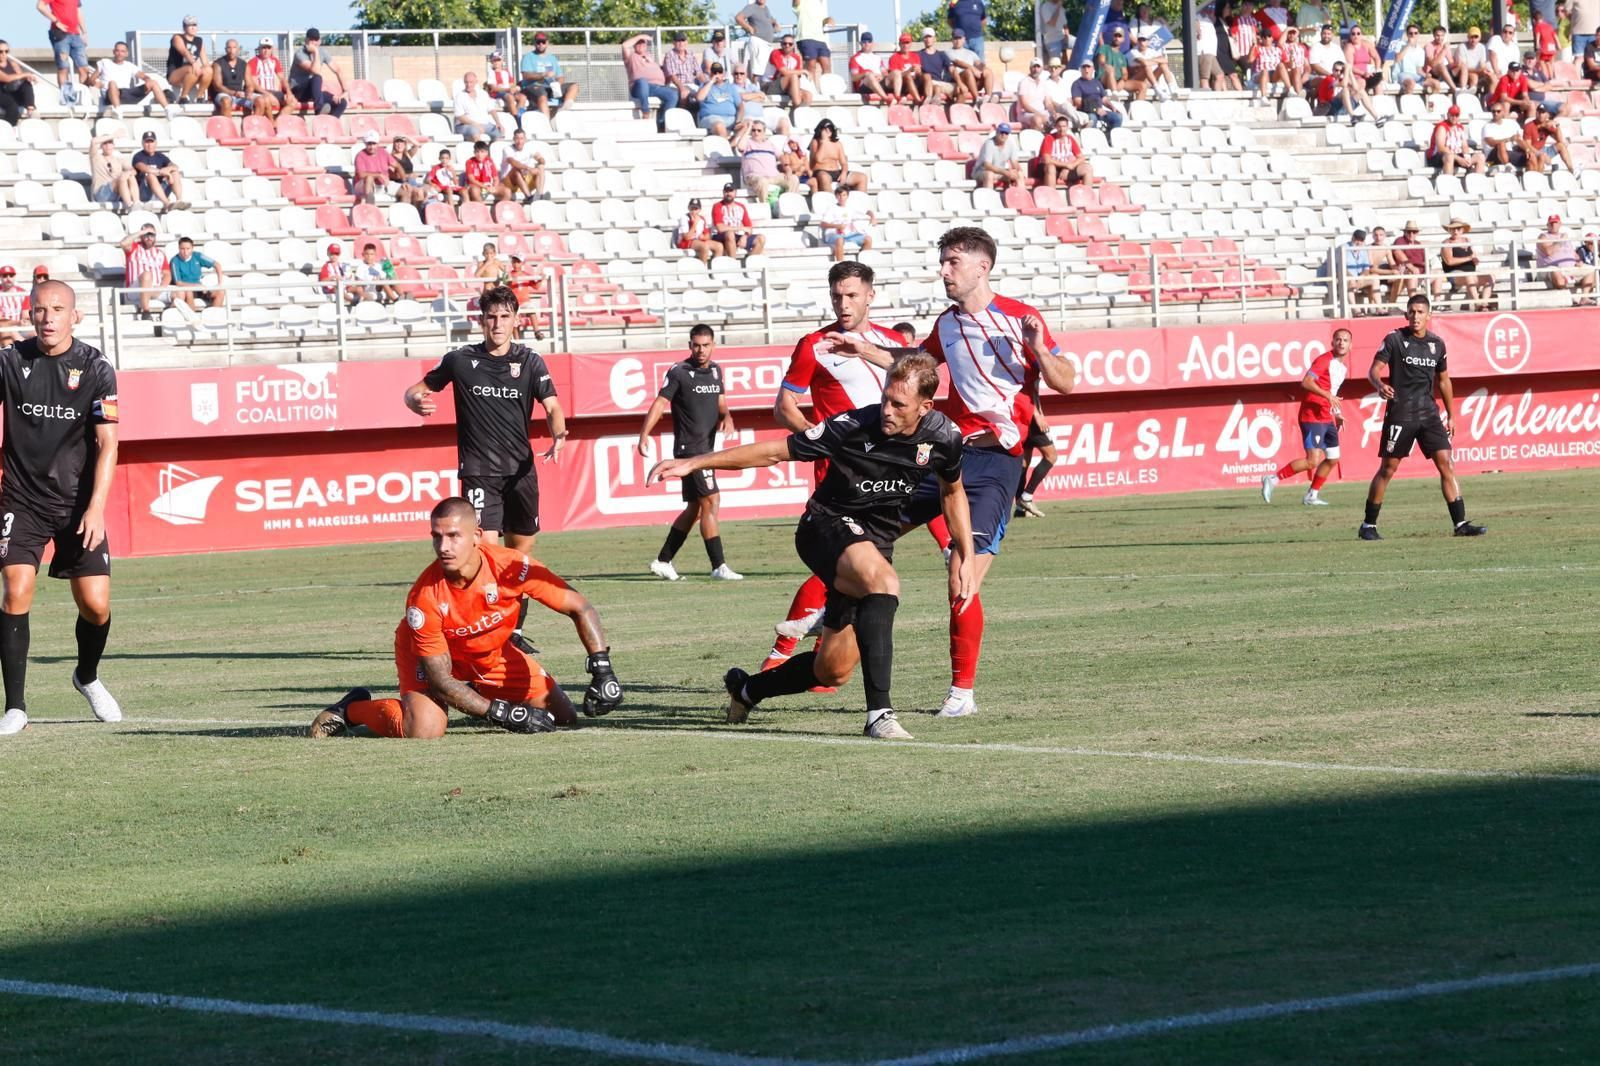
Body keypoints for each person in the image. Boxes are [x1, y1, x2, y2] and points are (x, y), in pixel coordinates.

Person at [823, 227, 1078, 719]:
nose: (944, 270)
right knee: (859, 533)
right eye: (942, 262)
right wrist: (866, 353)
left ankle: (962, 692)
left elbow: (1065, 381)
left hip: (997, 464)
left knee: (962, 570)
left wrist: (1040, 351)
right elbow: (915, 362)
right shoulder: (947, 323)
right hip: (946, 458)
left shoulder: (1020, 318)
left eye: (953, 262)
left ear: (982, 267)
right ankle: (835, 610)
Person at [653, 352, 974, 741]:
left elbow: (952, 493)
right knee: (885, 582)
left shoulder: (945, 438)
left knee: (832, 670)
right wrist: (695, 463)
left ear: (926, 407)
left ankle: (746, 690)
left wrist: (966, 555)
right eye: (886, 397)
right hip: (824, 527)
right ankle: (880, 715)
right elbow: (774, 452)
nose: (886, 409)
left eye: (898, 404)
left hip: (873, 544)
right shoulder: (853, 424)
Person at [308, 498, 622, 740]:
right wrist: (502, 713)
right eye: (437, 537)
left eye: (454, 536)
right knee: (425, 730)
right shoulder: (424, 596)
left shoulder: (513, 566)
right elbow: (440, 680)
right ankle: (350, 710)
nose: (443, 547)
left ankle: (478, 694)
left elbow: (580, 607)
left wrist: (602, 670)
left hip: (490, 654)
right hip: (436, 659)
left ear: (478, 535)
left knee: (562, 716)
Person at [762, 261, 908, 673]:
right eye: (836, 297)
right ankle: (783, 652)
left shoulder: (893, 343)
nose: (843, 304)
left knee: (866, 570)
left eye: (852, 296)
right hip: (841, 476)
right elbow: (783, 407)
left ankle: (823, 658)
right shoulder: (814, 345)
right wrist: (820, 440)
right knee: (847, 564)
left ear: (870, 296)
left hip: (892, 475)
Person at [403, 285, 566, 653]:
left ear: (515, 321)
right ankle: (488, 632)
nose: (497, 323)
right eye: (491, 317)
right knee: (487, 556)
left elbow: (553, 407)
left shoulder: (529, 361)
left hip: (521, 473)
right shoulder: (460, 361)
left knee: (519, 559)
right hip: (479, 472)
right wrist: (414, 402)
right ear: (481, 320)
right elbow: (414, 391)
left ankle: (514, 631)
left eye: (504, 317)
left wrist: (559, 434)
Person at [0, 280, 121, 736]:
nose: (47, 317)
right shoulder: (11, 361)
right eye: (39, 309)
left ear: (76, 316)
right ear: (29, 315)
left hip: (77, 504)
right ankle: (15, 707)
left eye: (57, 309)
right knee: (16, 588)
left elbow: (108, 443)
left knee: (95, 605)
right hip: (21, 500)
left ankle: (86, 676)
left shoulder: (95, 367)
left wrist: (95, 508)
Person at [1359, 295, 1486, 541]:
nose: (1415, 316)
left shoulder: (1437, 344)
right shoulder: (1394, 339)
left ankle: (1460, 523)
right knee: (1388, 468)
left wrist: (1451, 414)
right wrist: (1378, 384)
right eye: (1411, 311)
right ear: (1406, 315)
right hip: (1401, 413)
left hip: (1429, 413)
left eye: (1420, 312)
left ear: (1429, 316)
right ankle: (1368, 525)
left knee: (1446, 464)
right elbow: (1373, 370)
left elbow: (1444, 380)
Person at [638, 325, 742, 582]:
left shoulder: (716, 371)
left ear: (713, 345)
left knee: (696, 508)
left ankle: (663, 560)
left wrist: (727, 417)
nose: (701, 350)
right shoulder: (679, 372)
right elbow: (660, 403)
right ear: (689, 345)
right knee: (711, 502)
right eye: (696, 345)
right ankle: (719, 566)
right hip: (690, 450)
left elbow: (721, 402)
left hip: (706, 449)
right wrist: (644, 434)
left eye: (706, 345)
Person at [1260, 327, 1350, 507]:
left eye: (1345, 340)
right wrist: (1326, 395)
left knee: (1333, 458)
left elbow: (1332, 394)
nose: (1341, 342)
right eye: (1338, 339)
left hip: (1327, 416)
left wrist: (1337, 414)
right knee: (1312, 461)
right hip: (1312, 416)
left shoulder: (1342, 368)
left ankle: (1312, 495)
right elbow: (1306, 382)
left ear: (1350, 345)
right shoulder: (1324, 360)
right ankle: (1273, 479)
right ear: (1332, 342)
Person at [94, 41, 175, 118]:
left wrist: (147, 80)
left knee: (153, 82)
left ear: (126, 54)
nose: (119, 54)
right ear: (113, 51)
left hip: (126, 94)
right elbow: (91, 80)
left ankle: (167, 109)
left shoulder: (129, 65)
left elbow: (143, 76)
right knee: (112, 83)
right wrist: (96, 83)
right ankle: (118, 110)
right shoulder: (104, 62)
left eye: (122, 51)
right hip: (111, 95)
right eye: (117, 51)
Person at [38, 0, 89, 110]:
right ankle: (67, 100)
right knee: (63, 67)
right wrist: (56, 21)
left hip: (75, 34)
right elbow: (40, 6)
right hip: (60, 34)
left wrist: (84, 31)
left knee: (84, 68)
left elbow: (78, 11)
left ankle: (84, 99)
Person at [623, 33, 677, 132]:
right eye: (638, 44)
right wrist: (641, 36)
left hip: (656, 87)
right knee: (642, 81)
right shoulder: (631, 56)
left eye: (643, 44)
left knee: (673, 94)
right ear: (634, 46)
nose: (640, 46)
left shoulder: (650, 58)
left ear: (646, 46)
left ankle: (661, 123)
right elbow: (624, 45)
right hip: (638, 87)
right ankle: (645, 112)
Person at [732, 118, 795, 203]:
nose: (756, 132)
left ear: (764, 132)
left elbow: (781, 156)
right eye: (753, 130)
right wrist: (748, 129)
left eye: (759, 130)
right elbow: (740, 147)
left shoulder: (769, 144)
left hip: (773, 176)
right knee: (763, 181)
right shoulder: (748, 142)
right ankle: (765, 208)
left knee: (793, 179)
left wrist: (788, 168)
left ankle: (786, 205)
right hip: (755, 177)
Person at [1536, 213, 1597, 299]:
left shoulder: (1564, 237)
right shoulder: (1543, 237)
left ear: (1560, 224)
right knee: (1557, 276)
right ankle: (1568, 296)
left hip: (1569, 268)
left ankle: (1584, 297)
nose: (1553, 225)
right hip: (1551, 268)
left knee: (1591, 270)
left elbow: (1573, 254)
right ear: (1547, 225)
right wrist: (1561, 240)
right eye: (1551, 223)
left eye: (1556, 222)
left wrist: (1578, 261)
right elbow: (1549, 251)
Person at [289, 28, 346, 117]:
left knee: (341, 102)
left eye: (316, 40)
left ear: (319, 41)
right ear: (306, 40)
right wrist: (315, 52)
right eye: (311, 39)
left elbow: (337, 70)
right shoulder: (299, 54)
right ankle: (319, 109)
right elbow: (315, 71)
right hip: (297, 91)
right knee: (317, 77)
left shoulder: (323, 52)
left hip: (313, 92)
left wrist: (345, 91)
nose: (313, 42)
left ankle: (328, 124)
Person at [1013, 404, 1057, 518]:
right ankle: (1026, 497)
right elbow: (1029, 393)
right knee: (1051, 456)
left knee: (1024, 461)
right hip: (1030, 416)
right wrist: (1037, 415)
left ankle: (1020, 508)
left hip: (1021, 415)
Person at [518, 34, 577, 117]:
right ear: (534, 43)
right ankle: (546, 122)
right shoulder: (528, 57)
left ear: (547, 43)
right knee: (542, 96)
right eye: (538, 42)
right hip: (534, 86)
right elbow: (526, 76)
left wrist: (558, 84)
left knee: (574, 86)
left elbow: (560, 76)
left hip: (551, 87)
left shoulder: (552, 58)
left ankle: (562, 112)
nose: (541, 44)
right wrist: (543, 74)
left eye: (543, 42)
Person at [130, 131, 189, 212]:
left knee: (175, 172)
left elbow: (175, 166)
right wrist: (163, 172)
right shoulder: (138, 156)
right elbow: (144, 168)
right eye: (147, 142)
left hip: (160, 190)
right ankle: (167, 204)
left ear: (156, 143)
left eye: (152, 142)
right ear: (142, 143)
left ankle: (179, 200)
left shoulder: (160, 156)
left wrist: (168, 171)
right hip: (145, 193)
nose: (149, 145)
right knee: (150, 175)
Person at [120, 224, 168, 318]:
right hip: (136, 289)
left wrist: (161, 288)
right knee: (147, 275)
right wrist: (142, 232)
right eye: (146, 235)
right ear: (141, 236)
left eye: (152, 235)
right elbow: (123, 243)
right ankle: (146, 311)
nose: (149, 238)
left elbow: (167, 274)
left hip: (155, 288)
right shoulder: (133, 248)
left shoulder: (160, 253)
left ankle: (166, 317)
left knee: (180, 293)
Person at [817, 185, 875, 260]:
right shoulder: (831, 208)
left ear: (847, 196)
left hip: (848, 235)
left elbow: (867, 211)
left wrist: (873, 217)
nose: (841, 198)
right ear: (836, 196)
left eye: (844, 195)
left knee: (868, 239)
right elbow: (823, 224)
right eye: (839, 195)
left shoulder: (851, 207)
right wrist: (837, 226)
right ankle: (841, 266)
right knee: (840, 240)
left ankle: (863, 264)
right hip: (834, 234)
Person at [808, 117, 866, 193]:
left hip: (836, 171)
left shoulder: (837, 144)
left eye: (830, 129)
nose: (828, 131)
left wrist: (844, 173)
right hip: (821, 171)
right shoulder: (815, 142)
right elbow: (818, 159)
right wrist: (824, 142)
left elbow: (844, 163)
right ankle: (830, 201)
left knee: (862, 177)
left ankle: (860, 202)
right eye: (825, 129)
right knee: (824, 177)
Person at [167, 236, 225, 310]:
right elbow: (178, 283)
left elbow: (217, 265)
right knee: (189, 292)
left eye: (188, 249)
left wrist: (220, 284)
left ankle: (214, 317)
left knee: (220, 292)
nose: (185, 252)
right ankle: (193, 319)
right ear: (179, 248)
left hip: (198, 288)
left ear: (192, 248)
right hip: (186, 289)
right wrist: (197, 285)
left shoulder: (198, 256)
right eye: (182, 249)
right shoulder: (174, 261)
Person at [1034, 114, 1093, 187]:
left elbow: (1081, 157)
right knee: (1051, 168)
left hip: (1067, 167)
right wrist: (1066, 165)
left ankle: (1087, 195)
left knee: (1087, 168)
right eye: (1059, 126)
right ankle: (1051, 195)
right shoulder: (1049, 138)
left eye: (1064, 126)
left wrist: (1070, 166)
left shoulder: (1070, 139)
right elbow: (1047, 160)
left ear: (1067, 127)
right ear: (1056, 127)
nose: (1062, 129)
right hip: (1051, 167)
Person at [711, 182, 765, 258]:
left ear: (735, 192)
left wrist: (745, 237)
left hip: (736, 236)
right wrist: (740, 228)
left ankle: (748, 263)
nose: (728, 193)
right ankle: (733, 263)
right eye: (726, 191)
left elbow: (749, 227)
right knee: (730, 234)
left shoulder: (741, 207)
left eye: (731, 191)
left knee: (761, 238)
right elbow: (720, 228)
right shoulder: (717, 206)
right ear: (723, 192)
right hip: (720, 236)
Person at [1427, 104, 1487, 174]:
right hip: (1437, 157)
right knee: (1450, 157)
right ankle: (1449, 182)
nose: (1454, 117)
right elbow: (1441, 148)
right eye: (1452, 115)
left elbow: (1464, 146)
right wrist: (1459, 159)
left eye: (1456, 115)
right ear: (1448, 115)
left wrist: (1466, 157)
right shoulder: (1442, 127)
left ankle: (1478, 182)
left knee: (1480, 157)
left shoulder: (1460, 127)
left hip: (1454, 154)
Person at [166, 15, 211, 104]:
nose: (193, 28)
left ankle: (199, 97)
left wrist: (208, 69)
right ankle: (183, 97)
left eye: (194, 25)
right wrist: (194, 63)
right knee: (191, 69)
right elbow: (184, 52)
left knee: (208, 70)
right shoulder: (177, 38)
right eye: (190, 25)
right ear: (184, 27)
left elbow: (205, 61)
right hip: (176, 74)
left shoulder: (199, 40)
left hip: (192, 75)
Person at [89, 134, 137, 213]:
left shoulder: (119, 160)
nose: (108, 146)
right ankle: (129, 206)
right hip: (101, 193)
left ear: (113, 145)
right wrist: (115, 134)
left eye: (110, 143)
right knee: (120, 178)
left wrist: (127, 173)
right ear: (101, 146)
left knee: (130, 176)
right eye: (105, 143)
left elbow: (134, 171)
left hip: (116, 193)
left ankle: (136, 203)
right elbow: (93, 141)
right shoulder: (96, 157)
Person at [1072, 60, 1123, 132]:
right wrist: (1095, 109)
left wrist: (1112, 107)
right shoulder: (1077, 84)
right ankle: (1094, 140)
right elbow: (1078, 103)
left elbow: (1104, 99)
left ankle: (1109, 138)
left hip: (1100, 111)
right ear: (1081, 70)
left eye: (1088, 67)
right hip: (1086, 112)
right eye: (1084, 67)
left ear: (1093, 69)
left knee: (1117, 117)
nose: (1086, 70)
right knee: (1093, 118)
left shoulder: (1097, 82)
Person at [497, 128, 546, 203]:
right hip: (509, 182)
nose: (519, 141)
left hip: (524, 180)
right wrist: (529, 168)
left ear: (525, 139)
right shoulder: (507, 149)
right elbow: (513, 162)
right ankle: (529, 197)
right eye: (517, 139)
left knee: (541, 167)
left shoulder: (528, 148)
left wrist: (541, 160)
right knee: (516, 170)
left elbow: (539, 157)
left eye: (521, 138)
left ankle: (540, 194)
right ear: (513, 139)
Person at [735, 0, 782, 78]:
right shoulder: (752, 7)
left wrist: (775, 24)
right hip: (758, 41)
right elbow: (738, 18)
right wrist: (749, 28)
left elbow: (770, 19)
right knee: (757, 71)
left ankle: (761, 88)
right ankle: (755, 88)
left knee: (767, 71)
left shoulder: (766, 8)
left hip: (767, 44)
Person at [1523, 107, 1577, 174]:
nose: (1541, 115)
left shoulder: (1547, 125)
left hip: (1543, 149)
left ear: (1546, 114)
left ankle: (1572, 170)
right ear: (1536, 113)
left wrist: (1557, 125)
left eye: (1543, 113)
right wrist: (1540, 154)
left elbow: (1560, 140)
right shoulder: (1529, 126)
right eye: (1539, 112)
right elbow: (1527, 146)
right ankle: (1539, 177)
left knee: (1561, 146)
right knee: (1541, 156)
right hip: (1533, 151)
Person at [694, 63, 742, 136]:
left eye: (719, 72)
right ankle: (727, 146)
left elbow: (741, 106)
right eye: (714, 72)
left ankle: (733, 144)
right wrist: (711, 81)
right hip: (711, 118)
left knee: (747, 124)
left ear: (723, 74)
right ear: (710, 74)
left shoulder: (731, 88)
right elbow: (699, 98)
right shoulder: (705, 85)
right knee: (719, 125)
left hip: (730, 119)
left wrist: (738, 121)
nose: (717, 74)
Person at [764, 35, 814, 105]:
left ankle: (800, 113)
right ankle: (797, 104)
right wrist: (803, 71)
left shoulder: (796, 58)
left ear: (793, 46)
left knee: (808, 95)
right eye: (785, 43)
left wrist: (797, 90)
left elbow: (798, 77)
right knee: (793, 76)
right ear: (781, 44)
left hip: (786, 85)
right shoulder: (775, 53)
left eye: (790, 44)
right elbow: (784, 72)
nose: (787, 46)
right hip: (769, 85)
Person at [1481, 99, 1529, 171]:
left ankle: (1534, 177)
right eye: (1493, 111)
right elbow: (1491, 142)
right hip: (1492, 159)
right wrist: (1509, 139)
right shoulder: (1487, 126)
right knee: (1501, 144)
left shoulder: (1511, 123)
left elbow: (1518, 139)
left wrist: (1527, 150)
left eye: (1498, 111)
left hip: (1508, 153)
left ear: (1503, 112)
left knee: (1532, 158)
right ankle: (1507, 166)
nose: (1495, 113)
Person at [972, 122, 1023, 188]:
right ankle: (989, 197)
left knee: (1019, 174)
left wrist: (1017, 171)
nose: (1003, 135)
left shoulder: (1010, 144)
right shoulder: (989, 144)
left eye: (1006, 133)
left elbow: (1014, 162)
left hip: (999, 172)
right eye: (1001, 132)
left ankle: (1021, 196)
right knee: (989, 174)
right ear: (997, 132)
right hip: (981, 171)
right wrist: (1005, 172)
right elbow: (987, 166)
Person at [245, 38, 287, 117]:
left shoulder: (275, 61)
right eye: (263, 48)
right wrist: (268, 94)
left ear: (272, 49)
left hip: (272, 91)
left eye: (268, 48)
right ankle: (267, 123)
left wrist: (289, 92)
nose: (266, 50)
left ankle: (277, 120)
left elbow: (282, 78)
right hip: (259, 91)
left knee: (291, 101)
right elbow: (253, 84)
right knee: (265, 101)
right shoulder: (253, 62)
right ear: (259, 49)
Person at [0, 40, 39, 124]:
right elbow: (6, 78)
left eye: (6, 51)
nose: (4, 54)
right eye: (1, 52)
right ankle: (10, 127)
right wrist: (25, 75)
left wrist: (28, 77)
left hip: (13, 90)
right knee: (12, 106)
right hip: (2, 93)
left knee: (26, 83)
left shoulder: (13, 64)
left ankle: (31, 109)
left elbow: (21, 77)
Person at [210, 38, 252, 116]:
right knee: (226, 101)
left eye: (234, 48)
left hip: (240, 94)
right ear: (226, 49)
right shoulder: (218, 64)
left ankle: (253, 125)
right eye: (229, 48)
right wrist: (234, 93)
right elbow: (217, 86)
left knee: (261, 101)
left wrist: (249, 93)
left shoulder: (244, 64)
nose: (232, 50)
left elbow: (249, 84)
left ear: (238, 49)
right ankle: (228, 127)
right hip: (223, 94)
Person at [453, 71, 498, 142]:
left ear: (476, 82)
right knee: (474, 131)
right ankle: (478, 152)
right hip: (465, 125)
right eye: (466, 82)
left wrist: (498, 122)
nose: (468, 85)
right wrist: (475, 124)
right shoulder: (459, 96)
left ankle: (491, 151)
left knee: (498, 132)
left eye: (471, 82)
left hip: (484, 124)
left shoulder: (483, 94)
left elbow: (492, 109)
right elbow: (460, 117)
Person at [917, 29, 960, 102]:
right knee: (935, 86)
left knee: (961, 89)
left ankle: (958, 110)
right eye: (925, 37)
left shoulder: (941, 54)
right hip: (926, 84)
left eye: (930, 37)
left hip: (939, 82)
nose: (928, 39)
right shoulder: (919, 54)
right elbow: (917, 71)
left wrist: (960, 83)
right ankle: (930, 102)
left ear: (934, 39)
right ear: (923, 40)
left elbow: (952, 69)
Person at [352, 131, 393, 205]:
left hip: (380, 184)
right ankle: (370, 207)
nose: (371, 147)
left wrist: (404, 177)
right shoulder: (360, 156)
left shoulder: (383, 152)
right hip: (362, 185)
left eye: (374, 144)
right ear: (365, 144)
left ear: (377, 144)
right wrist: (379, 175)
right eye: (369, 144)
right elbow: (361, 175)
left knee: (406, 190)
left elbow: (396, 164)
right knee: (369, 178)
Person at [849, 33, 890, 100]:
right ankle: (887, 99)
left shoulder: (877, 57)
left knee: (896, 73)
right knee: (870, 76)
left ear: (872, 43)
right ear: (860, 43)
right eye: (864, 41)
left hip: (879, 83)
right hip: (864, 86)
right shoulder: (854, 58)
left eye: (869, 41)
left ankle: (899, 97)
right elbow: (854, 78)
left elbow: (885, 73)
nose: (867, 43)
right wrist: (865, 74)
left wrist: (881, 76)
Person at [886, 33, 925, 104]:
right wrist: (909, 70)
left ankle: (930, 98)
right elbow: (895, 76)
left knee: (927, 76)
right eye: (903, 43)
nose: (905, 45)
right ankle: (918, 100)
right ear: (899, 44)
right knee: (907, 77)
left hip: (915, 82)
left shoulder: (915, 56)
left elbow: (919, 73)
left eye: (907, 43)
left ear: (910, 44)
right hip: (902, 85)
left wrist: (918, 71)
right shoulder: (894, 58)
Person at [675, 197, 716, 265]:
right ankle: (702, 270)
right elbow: (686, 237)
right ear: (688, 208)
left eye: (696, 209)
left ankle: (715, 269)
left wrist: (703, 237)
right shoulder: (684, 218)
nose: (694, 211)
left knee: (719, 246)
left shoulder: (702, 219)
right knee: (704, 246)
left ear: (699, 210)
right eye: (692, 208)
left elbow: (708, 235)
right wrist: (695, 223)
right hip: (684, 242)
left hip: (697, 240)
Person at [1454, 26, 1493, 95]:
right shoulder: (1462, 47)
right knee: (1473, 75)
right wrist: (1479, 70)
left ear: (1479, 38)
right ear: (1468, 37)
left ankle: (1488, 96)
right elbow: (1463, 67)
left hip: (1476, 73)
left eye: (1476, 37)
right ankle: (1467, 91)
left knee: (1489, 75)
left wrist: (1485, 70)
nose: (1473, 39)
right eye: (1471, 37)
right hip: (1462, 74)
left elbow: (1482, 64)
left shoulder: (1481, 47)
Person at [318, 242, 358, 306]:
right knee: (338, 289)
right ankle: (352, 300)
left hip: (344, 285)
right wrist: (332, 277)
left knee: (358, 288)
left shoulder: (342, 265)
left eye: (336, 254)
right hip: (332, 288)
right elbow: (323, 280)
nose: (334, 256)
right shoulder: (326, 266)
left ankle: (363, 300)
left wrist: (348, 277)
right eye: (332, 254)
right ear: (328, 254)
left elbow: (347, 277)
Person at [0, 266, 30, 345]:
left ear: (15, 276)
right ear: (0, 277)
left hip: (19, 326)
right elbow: (1, 322)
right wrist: (17, 323)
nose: (8, 278)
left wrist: (24, 321)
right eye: (5, 276)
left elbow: (25, 315)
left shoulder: (22, 292)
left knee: (36, 333)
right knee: (6, 333)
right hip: (5, 328)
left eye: (11, 275)